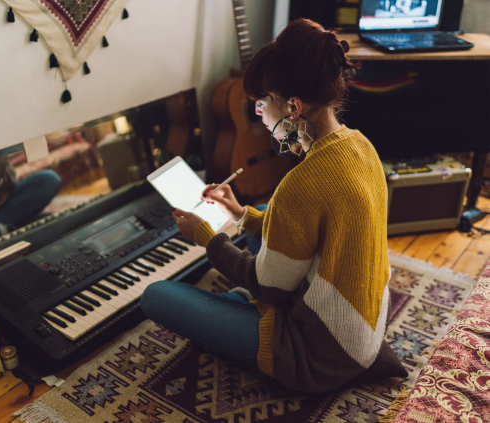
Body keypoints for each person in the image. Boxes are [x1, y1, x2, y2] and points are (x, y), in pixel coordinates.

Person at [140, 18, 406, 393]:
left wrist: (208, 239)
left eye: (261, 105)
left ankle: (254, 328)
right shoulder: (360, 146)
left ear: (293, 107)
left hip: (319, 355)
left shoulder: (300, 184)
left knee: (156, 297)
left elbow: (267, 288)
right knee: (263, 248)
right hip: (362, 332)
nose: (260, 117)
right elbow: (312, 233)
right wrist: (240, 214)